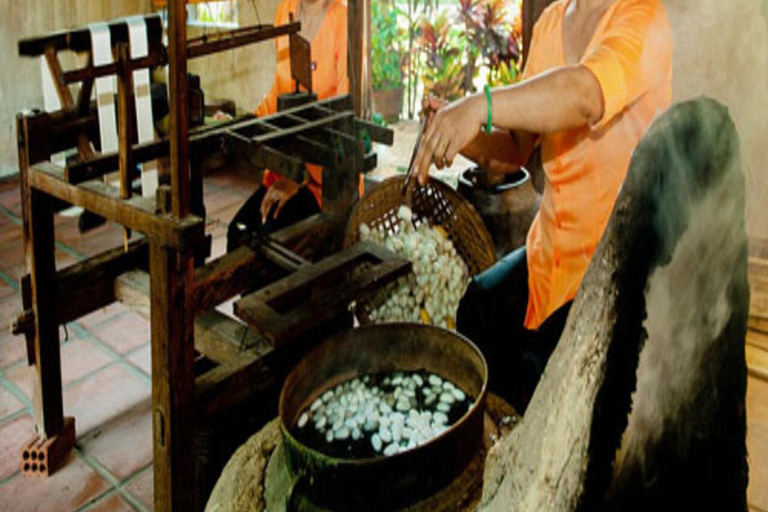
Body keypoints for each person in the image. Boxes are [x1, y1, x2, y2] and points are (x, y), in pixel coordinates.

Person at [413, 0, 672, 412]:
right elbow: (514, 151)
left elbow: (586, 95)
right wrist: (460, 132)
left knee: (540, 371)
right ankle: (497, 447)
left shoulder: (642, 16)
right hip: (548, 253)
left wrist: (480, 104)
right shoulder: (551, 23)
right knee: (478, 308)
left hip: (613, 267)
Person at [227, 0, 349, 251]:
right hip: (285, 171)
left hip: (326, 180)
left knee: (269, 244)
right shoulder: (286, 11)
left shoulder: (342, 21)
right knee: (237, 233)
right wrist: (246, 121)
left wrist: (300, 180)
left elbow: (343, 121)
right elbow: (279, 91)